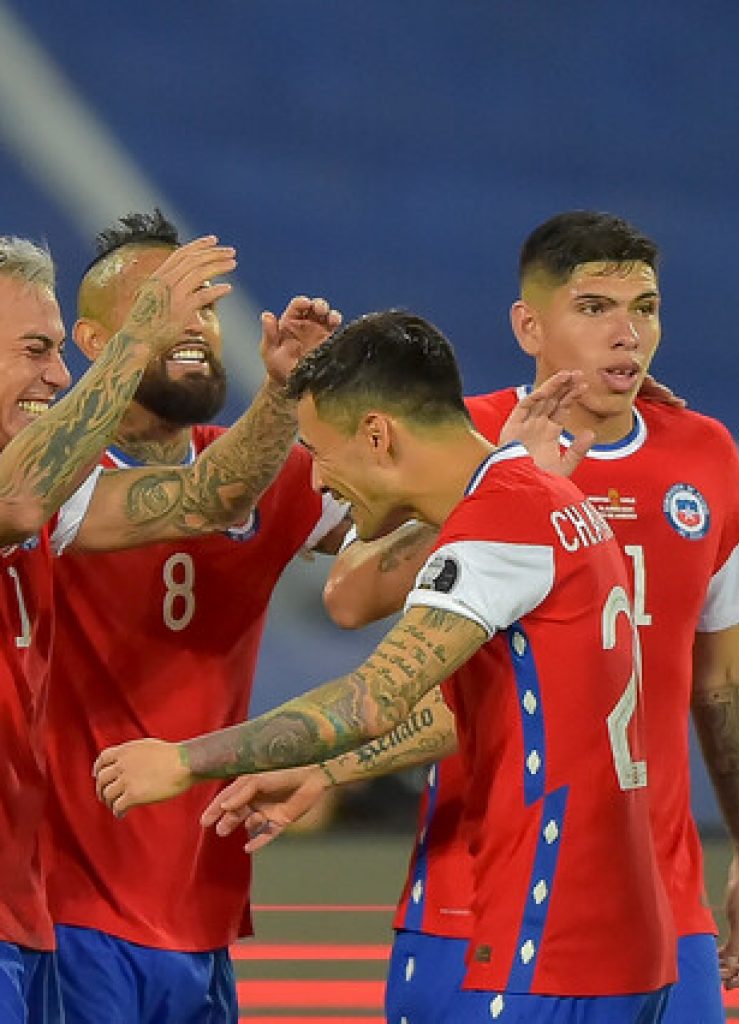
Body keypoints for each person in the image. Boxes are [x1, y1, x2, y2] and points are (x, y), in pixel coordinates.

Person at [207, 211, 739, 1023]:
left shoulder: (703, 453)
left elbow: (722, 674)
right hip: (485, 886)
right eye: (594, 309)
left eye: (644, 308)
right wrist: (498, 486)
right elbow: (350, 594)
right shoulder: (459, 434)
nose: (627, 334)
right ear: (528, 324)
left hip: (658, 894)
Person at [94, 310, 677, 1023]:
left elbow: (373, 698)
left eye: (319, 452)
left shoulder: (499, 524)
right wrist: (326, 769)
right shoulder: (552, 501)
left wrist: (184, 761)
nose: (322, 482)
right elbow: (472, 710)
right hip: (620, 943)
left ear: (377, 434)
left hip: (546, 937)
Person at [37, 210, 350, 1024]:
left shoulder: (265, 463)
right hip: (65, 910)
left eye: (206, 306)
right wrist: (281, 399)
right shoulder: (46, 485)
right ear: (95, 338)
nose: (195, 326)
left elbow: (405, 533)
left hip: (203, 913)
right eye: (163, 305)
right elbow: (215, 497)